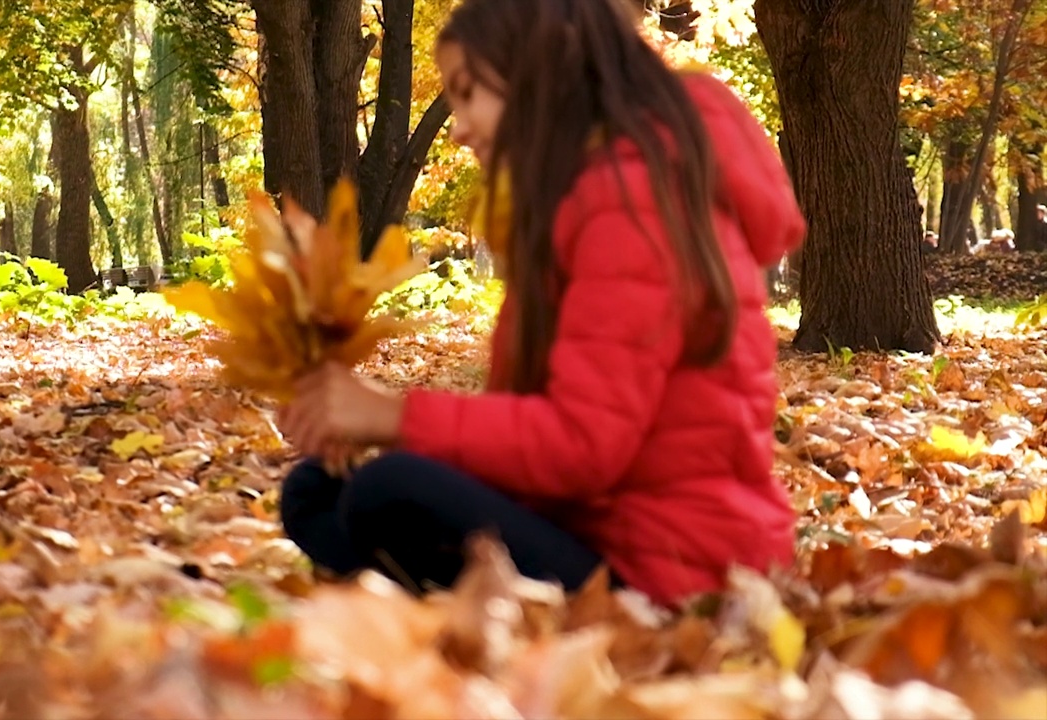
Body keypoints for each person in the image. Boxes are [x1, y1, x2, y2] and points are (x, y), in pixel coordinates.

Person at [275, 0, 806, 608]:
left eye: (469, 93)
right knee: (317, 492)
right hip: (593, 528)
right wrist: (387, 431)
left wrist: (396, 419)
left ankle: (448, 597)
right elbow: (545, 431)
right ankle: (440, 597)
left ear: (540, 72)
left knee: (387, 491)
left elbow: (583, 445)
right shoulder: (581, 197)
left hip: (670, 571)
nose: (458, 126)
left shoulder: (631, 204)